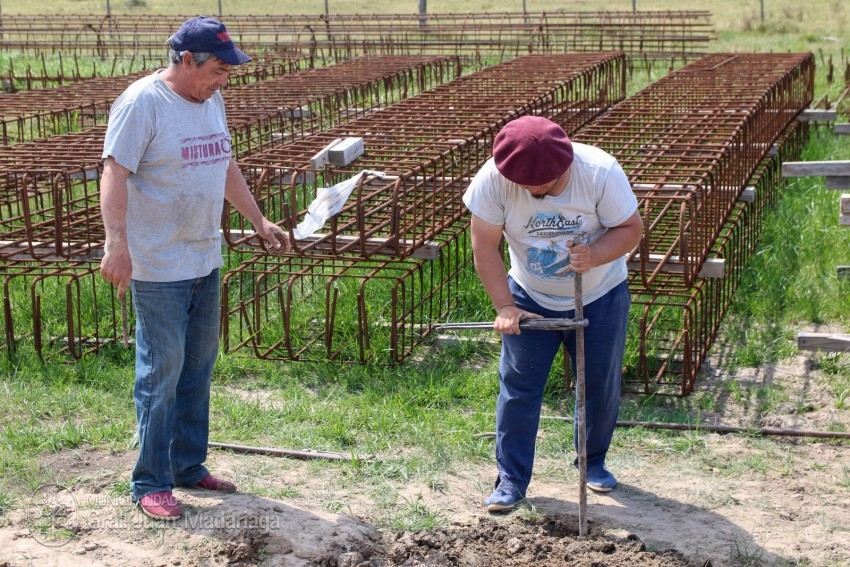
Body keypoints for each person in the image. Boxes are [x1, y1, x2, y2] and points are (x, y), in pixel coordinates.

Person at [99, 16, 291, 521]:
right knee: (161, 370)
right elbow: (114, 171)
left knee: (198, 366)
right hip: (159, 262)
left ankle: (187, 464)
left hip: (203, 255)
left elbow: (223, 162)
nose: (223, 80)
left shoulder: (211, 99)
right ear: (187, 60)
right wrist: (116, 244)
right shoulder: (142, 104)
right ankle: (150, 481)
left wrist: (258, 219)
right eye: (218, 70)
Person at [462, 115, 642, 513]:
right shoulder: (493, 179)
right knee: (519, 389)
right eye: (525, 185)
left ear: (565, 165)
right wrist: (506, 306)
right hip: (529, 295)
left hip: (599, 294)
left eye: (544, 184)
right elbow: (484, 246)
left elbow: (631, 228)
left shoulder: (599, 172)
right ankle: (511, 480)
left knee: (598, 384)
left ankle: (592, 462)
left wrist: (594, 254)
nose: (533, 190)